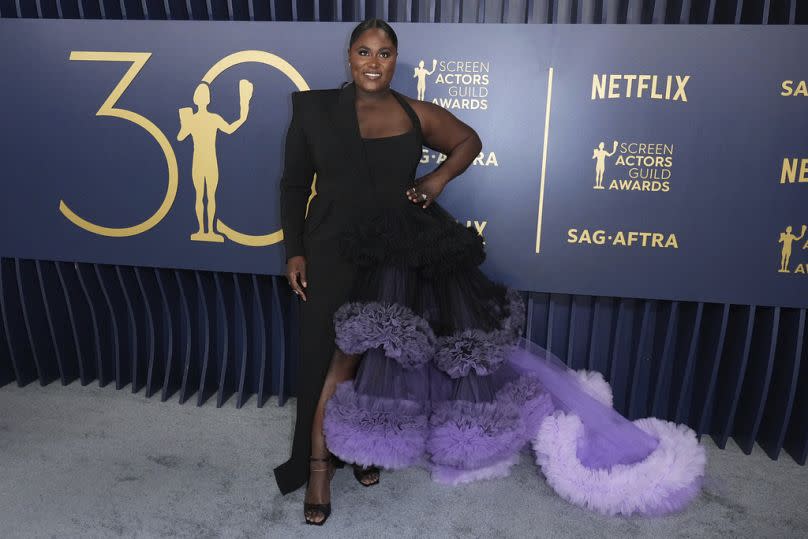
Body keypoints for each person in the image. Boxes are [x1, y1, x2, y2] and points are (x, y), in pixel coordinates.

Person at [275, 19, 706, 526]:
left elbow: (468, 141)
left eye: (385, 53)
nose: (374, 62)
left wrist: (436, 179)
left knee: (380, 359)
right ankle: (320, 464)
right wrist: (294, 250)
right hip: (330, 248)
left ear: (395, 58)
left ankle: (364, 449)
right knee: (332, 360)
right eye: (364, 52)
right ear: (349, 57)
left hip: (396, 250)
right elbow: (293, 184)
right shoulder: (314, 109)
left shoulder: (414, 112)